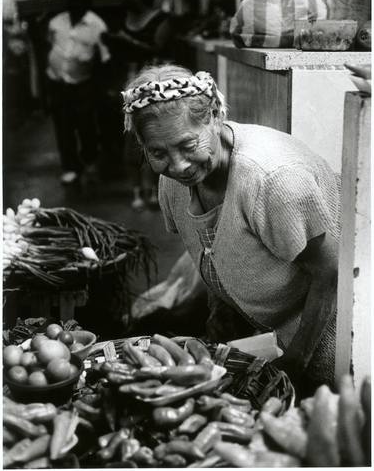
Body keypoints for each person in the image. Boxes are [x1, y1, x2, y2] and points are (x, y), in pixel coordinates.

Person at [121, 64, 341, 393]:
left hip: (330, 333)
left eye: (188, 145)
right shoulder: (175, 182)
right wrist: (221, 304)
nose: (178, 165)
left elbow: (331, 272)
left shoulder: (273, 179)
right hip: (273, 332)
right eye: (158, 153)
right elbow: (212, 244)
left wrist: (296, 361)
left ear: (214, 116)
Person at [103, 0, 173, 209]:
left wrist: (126, 41)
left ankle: (153, 189)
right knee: (129, 140)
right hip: (126, 87)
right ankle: (136, 191)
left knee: (153, 138)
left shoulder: (161, 20)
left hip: (152, 88)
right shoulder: (122, 19)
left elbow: (159, 49)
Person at [46, 0, 110, 184]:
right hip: (58, 83)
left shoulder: (97, 25)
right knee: (63, 126)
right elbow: (48, 46)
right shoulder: (56, 22)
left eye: (79, 0)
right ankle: (70, 166)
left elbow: (104, 58)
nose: (74, 3)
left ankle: (88, 159)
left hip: (83, 84)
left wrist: (101, 88)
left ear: (87, 2)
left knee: (85, 126)